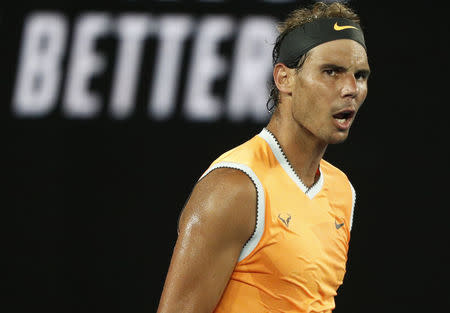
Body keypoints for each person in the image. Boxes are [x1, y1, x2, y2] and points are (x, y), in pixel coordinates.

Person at [157, 2, 370, 312]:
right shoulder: (234, 188)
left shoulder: (342, 191)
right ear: (284, 79)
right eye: (331, 72)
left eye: (360, 75)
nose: (350, 88)